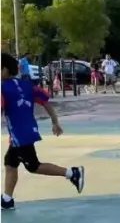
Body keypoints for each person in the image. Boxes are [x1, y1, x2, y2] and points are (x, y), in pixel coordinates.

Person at [1, 52, 85, 210]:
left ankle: (72, 173)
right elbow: (46, 102)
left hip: (20, 135)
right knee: (10, 163)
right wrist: (55, 122)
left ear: (4, 70)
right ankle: (7, 199)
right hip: (27, 130)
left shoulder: (2, 87)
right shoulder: (27, 85)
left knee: (33, 166)